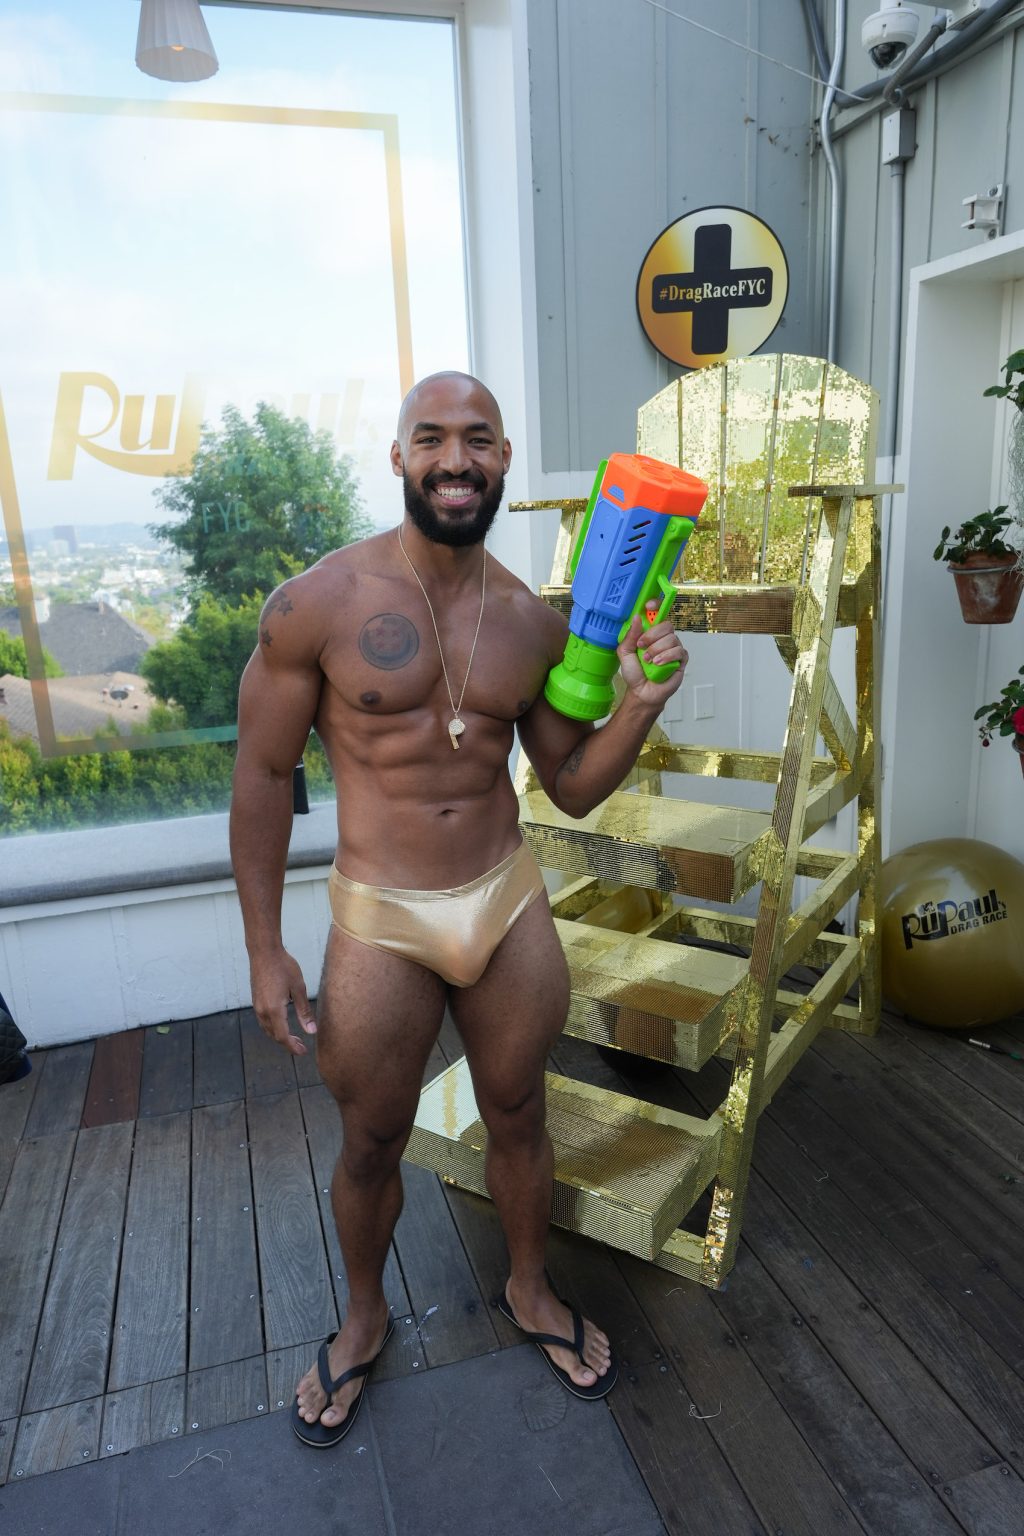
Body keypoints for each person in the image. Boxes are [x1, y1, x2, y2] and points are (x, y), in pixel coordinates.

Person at [230, 371, 688, 1448]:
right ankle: (362, 1316)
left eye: (477, 439)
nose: (455, 459)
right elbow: (260, 776)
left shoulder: (532, 621)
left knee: (519, 1110)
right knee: (372, 1138)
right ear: (398, 458)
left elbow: (570, 785)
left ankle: (529, 1287)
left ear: (503, 459)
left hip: (504, 899)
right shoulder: (317, 604)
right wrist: (264, 950)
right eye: (430, 438)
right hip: (380, 915)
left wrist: (639, 706)